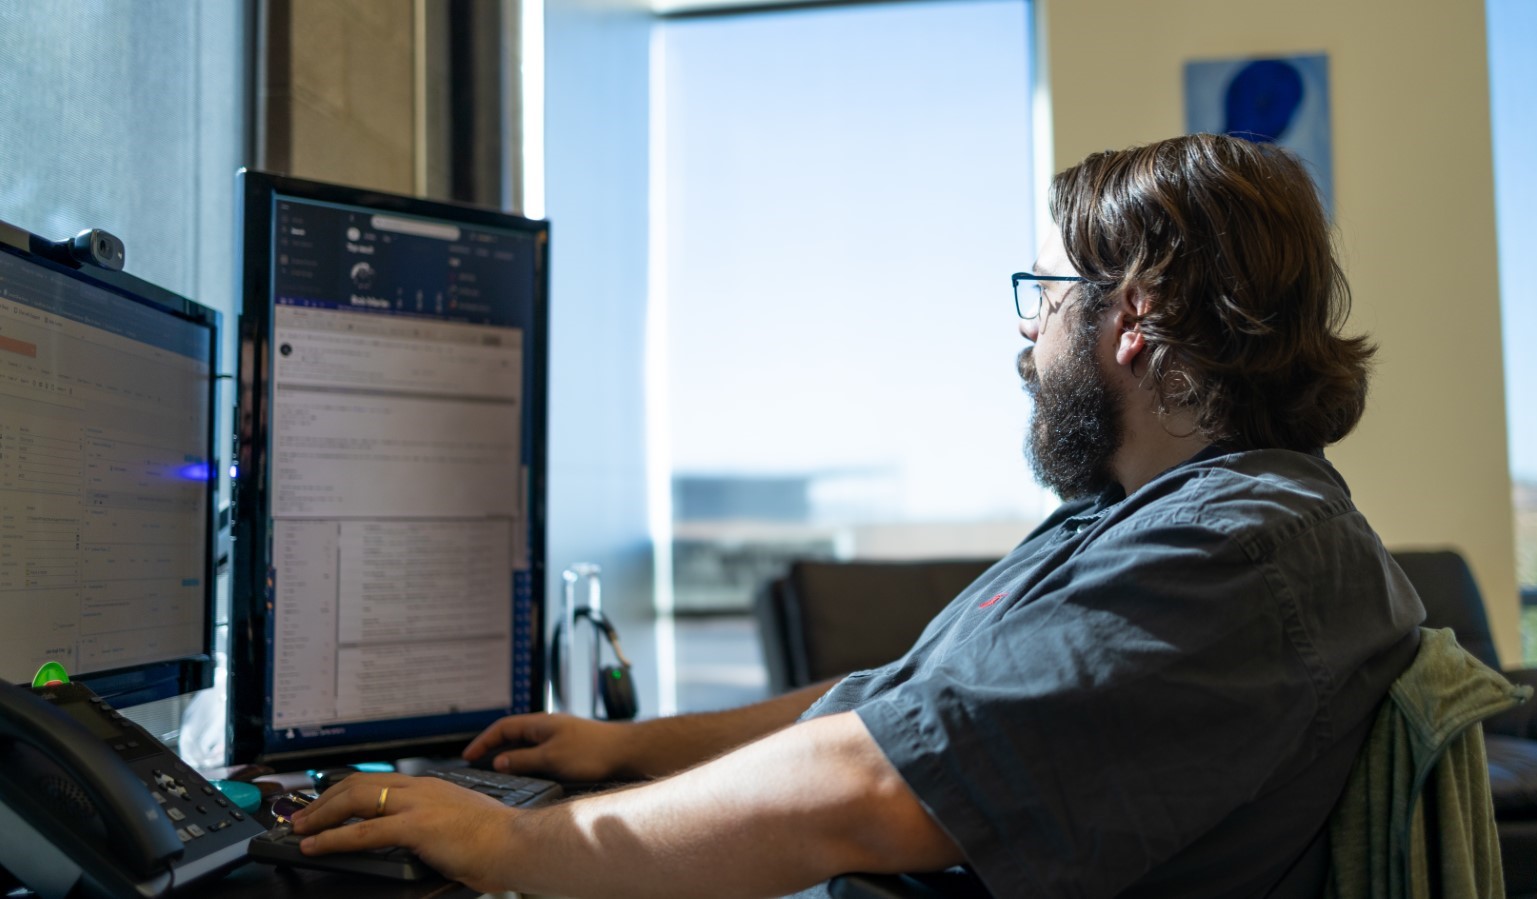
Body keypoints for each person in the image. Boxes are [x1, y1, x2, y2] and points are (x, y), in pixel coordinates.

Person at [290, 133, 1425, 898]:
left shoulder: (1238, 548)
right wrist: (631, 749)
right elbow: (897, 710)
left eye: (1044, 300)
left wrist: (515, 840)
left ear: (1135, 316)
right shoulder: (1134, 520)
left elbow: (879, 788)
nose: (1024, 341)